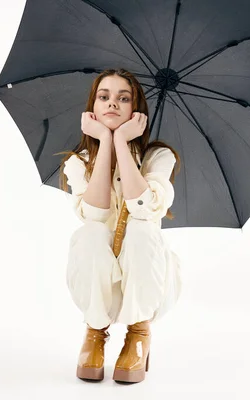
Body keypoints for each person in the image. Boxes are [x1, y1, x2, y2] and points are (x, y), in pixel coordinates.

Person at [57, 68, 183, 383]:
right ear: (93, 108)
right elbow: (95, 215)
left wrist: (123, 145)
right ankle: (95, 333)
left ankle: (139, 333)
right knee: (92, 232)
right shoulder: (77, 162)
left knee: (141, 228)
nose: (112, 104)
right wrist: (104, 141)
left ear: (135, 111)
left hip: (145, 279)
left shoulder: (158, 157)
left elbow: (144, 207)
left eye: (123, 98)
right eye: (104, 96)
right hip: (97, 279)